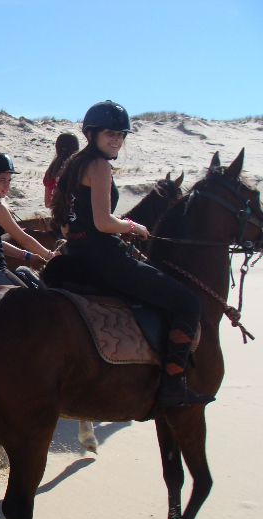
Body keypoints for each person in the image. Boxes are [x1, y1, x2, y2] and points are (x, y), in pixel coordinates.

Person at [50, 100, 214, 417]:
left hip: (77, 257)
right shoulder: (99, 165)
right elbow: (103, 222)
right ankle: (173, 384)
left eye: (121, 134)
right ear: (92, 133)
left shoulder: (73, 166)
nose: (117, 140)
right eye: (110, 133)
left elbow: (66, 224)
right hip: (106, 261)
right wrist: (132, 226)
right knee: (188, 303)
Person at [0, 152, 54, 288]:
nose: (7, 185)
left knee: (24, 271)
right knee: (35, 297)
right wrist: (50, 255)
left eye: (9, 180)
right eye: (2, 180)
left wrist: (27, 256)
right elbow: (23, 239)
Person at [43, 132, 79, 208]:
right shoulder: (79, 167)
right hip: (76, 212)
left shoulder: (52, 170)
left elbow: (47, 203)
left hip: (57, 212)